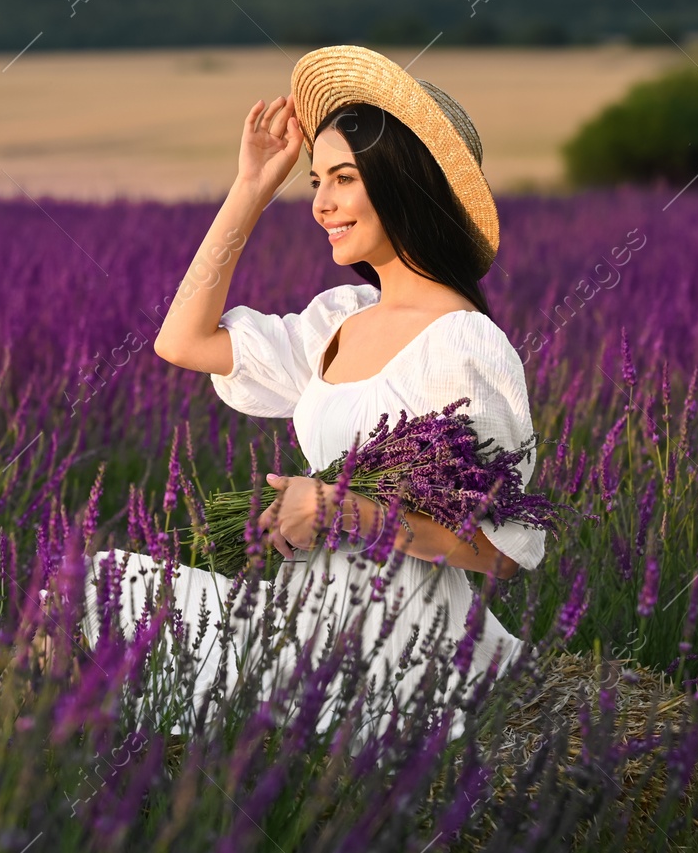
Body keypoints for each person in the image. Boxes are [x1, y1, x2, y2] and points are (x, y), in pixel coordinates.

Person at [77, 45, 543, 742]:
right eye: (315, 179)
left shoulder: (463, 346)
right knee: (92, 587)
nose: (321, 202)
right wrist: (250, 189)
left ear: (404, 183)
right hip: (300, 612)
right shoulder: (343, 318)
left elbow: (498, 550)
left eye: (344, 178)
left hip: (397, 642)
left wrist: (342, 510)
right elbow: (181, 340)